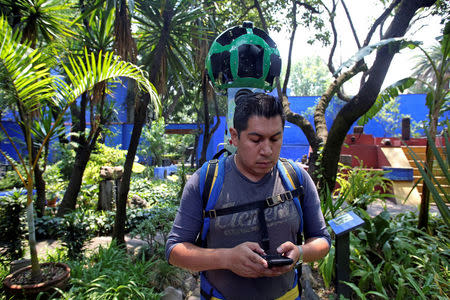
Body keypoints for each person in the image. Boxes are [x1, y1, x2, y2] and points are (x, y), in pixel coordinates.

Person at [165, 92, 331, 299]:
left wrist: (300, 253)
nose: (267, 150)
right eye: (256, 139)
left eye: (275, 138)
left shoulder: (297, 178)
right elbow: (174, 250)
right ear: (234, 136)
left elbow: (322, 240)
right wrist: (227, 258)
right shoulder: (206, 180)